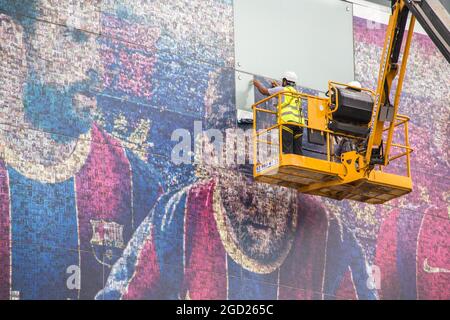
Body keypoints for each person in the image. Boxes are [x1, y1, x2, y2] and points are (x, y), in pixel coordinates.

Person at [0, 1, 162, 300]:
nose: (96, 66)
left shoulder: (136, 184)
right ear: (10, 39)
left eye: (96, 42)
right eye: (74, 37)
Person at [253, 71, 304, 155]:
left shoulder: (282, 90)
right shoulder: (296, 93)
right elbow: (284, 96)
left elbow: (264, 91)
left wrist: (256, 83)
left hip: (287, 123)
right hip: (300, 125)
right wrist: (276, 87)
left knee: (286, 149)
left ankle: (287, 166)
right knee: (298, 151)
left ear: (285, 81)